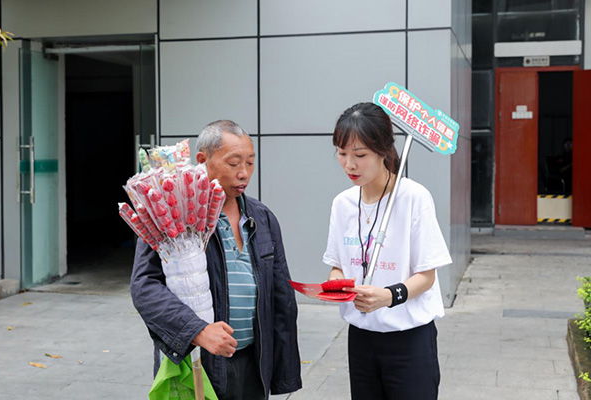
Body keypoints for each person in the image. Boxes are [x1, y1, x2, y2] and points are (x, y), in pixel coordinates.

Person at [131, 120, 302, 400]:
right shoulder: (172, 214)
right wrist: (197, 331)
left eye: (250, 162)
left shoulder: (262, 217)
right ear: (202, 160)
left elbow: (281, 297)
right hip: (199, 362)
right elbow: (144, 287)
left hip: (253, 362)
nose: (244, 173)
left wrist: (283, 372)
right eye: (234, 163)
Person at [322, 102, 452, 400]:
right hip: (361, 337)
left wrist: (388, 296)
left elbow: (427, 276)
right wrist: (337, 284)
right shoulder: (342, 204)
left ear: (383, 151)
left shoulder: (414, 198)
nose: (349, 165)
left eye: (360, 155)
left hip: (409, 340)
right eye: (342, 154)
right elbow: (337, 265)